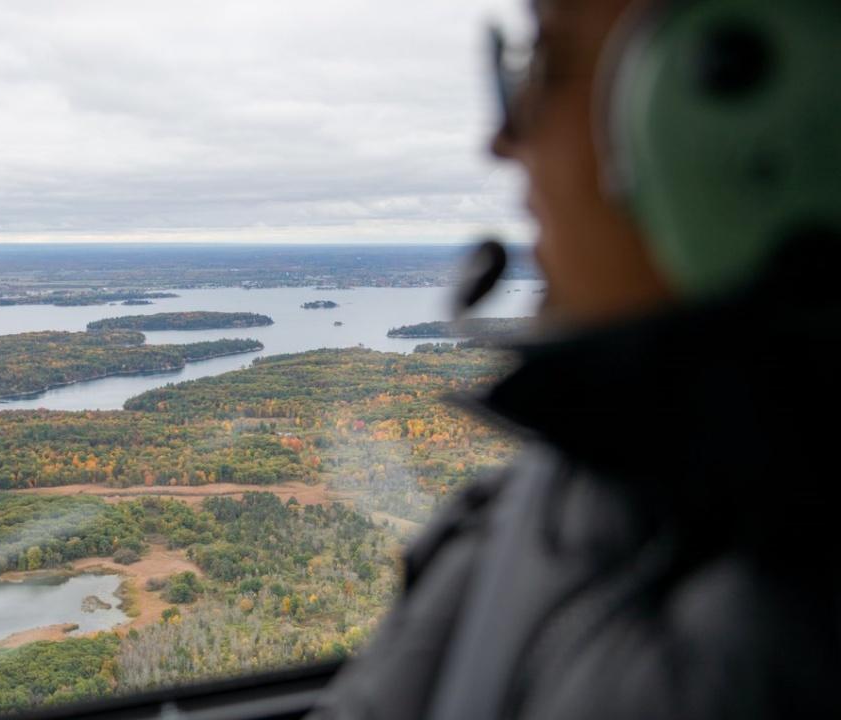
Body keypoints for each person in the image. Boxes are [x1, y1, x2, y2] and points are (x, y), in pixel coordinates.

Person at [309, 0, 841, 718]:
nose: (502, 139)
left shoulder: (774, 637)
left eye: (544, 66)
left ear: (751, 91)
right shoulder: (544, 504)